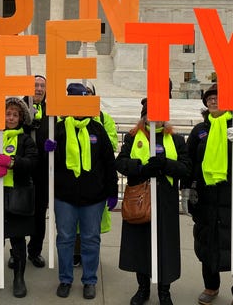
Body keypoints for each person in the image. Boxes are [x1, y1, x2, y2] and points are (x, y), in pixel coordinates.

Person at [115, 98, 190, 305]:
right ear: (144, 116)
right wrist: (141, 167)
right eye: (149, 113)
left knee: (165, 246)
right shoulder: (132, 138)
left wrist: (166, 164)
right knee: (140, 244)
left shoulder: (175, 139)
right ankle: (143, 289)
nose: (153, 118)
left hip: (165, 201)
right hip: (140, 198)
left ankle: (164, 292)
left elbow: (185, 167)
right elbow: (120, 162)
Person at [49, 82, 118, 300]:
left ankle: (89, 280)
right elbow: (53, 165)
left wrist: (112, 191)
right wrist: (49, 150)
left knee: (90, 239)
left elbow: (108, 162)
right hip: (65, 196)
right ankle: (65, 279)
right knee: (66, 238)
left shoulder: (97, 129)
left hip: (93, 197)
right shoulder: (58, 129)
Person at [0, 97, 38, 298]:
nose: (10, 117)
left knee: (17, 241)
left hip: (17, 197)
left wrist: (13, 162)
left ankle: (19, 279)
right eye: (7, 113)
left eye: (14, 114)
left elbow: (32, 163)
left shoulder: (25, 139)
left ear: (20, 118)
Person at [185, 84, 233, 305]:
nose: (213, 101)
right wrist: (188, 191)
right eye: (210, 98)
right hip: (206, 197)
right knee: (207, 243)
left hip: (229, 196)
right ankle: (211, 287)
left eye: (217, 98)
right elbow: (189, 163)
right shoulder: (200, 130)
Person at [73, 80, 118, 266]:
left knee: (91, 226)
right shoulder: (67, 118)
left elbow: (112, 144)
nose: (86, 96)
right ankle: (76, 254)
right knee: (73, 224)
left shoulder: (102, 118)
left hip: (96, 178)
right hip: (74, 179)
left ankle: (89, 255)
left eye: (89, 92)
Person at [9, 74, 48, 269]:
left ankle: (35, 251)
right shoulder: (18, 108)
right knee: (18, 212)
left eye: (42, 85)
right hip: (21, 170)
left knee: (39, 214)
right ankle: (16, 252)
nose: (39, 89)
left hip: (43, 173)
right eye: (35, 85)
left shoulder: (52, 110)